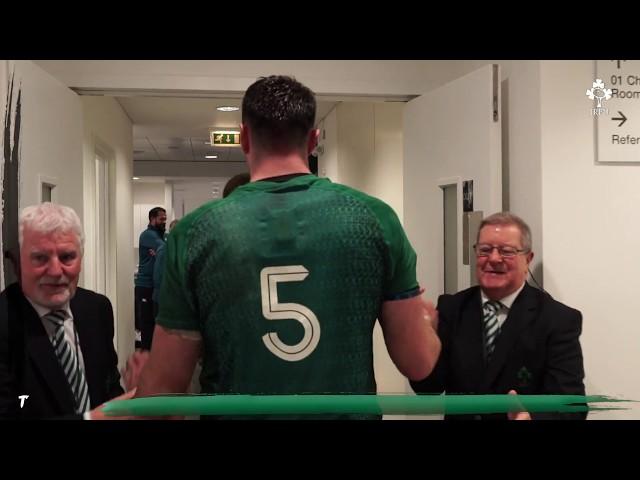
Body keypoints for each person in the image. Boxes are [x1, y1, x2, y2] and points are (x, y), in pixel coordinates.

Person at [134, 75, 441, 419]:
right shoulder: (374, 219)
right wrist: (427, 321)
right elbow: (419, 363)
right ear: (313, 139)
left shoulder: (195, 232)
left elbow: (164, 390)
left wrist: (141, 385)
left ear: (244, 138)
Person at [411, 212, 586, 420]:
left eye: (507, 251)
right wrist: (420, 335)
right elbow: (428, 389)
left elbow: (572, 405)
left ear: (528, 259)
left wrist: (533, 418)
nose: (493, 259)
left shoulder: (558, 319)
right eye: (485, 250)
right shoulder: (452, 308)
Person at [0, 202, 144, 419]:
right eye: (40, 258)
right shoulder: (4, 323)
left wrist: (137, 398)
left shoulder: (96, 309)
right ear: (19, 262)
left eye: (67, 257)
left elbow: (107, 392)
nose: (56, 271)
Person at [135, 207, 166, 350]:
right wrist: (162, 250)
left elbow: (166, 248)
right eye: (161, 219)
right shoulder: (147, 235)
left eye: (165, 219)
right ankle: (145, 360)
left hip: (154, 287)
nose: (164, 222)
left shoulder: (160, 236)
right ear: (152, 219)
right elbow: (167, 249)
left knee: (155, 325)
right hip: (145, 286)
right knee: (147, 325)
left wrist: (160, 252)